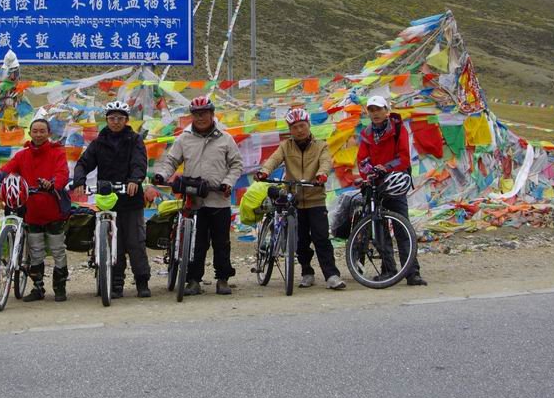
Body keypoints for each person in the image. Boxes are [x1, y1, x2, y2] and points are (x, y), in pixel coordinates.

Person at [152, 96, 244, 296]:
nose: (201, 117)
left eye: (204, 113)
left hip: (219, 199)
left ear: (212, 114)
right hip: (194, 200)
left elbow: (237, 165)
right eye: (196, 114)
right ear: (191, 116)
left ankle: (222, 279)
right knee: (196, 242)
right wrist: (162, 175)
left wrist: (228, 183)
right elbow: (171, 161)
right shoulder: (183, 138)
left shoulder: (225, 139)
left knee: (221, 242)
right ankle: (193, 280)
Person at [256, 107, 346, 290]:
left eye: (302, 125)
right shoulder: (285, 146)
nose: (299, 130)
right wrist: (264, 171)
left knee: (321, 238)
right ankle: (307, 272)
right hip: (294, 199)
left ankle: (332, 275)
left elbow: (326, 162)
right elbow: (274, 159)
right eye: (295, 127)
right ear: (290, 129)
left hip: (315, 199)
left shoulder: (321, 145)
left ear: (308, 125)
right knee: (300, 240)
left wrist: (321, 175)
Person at [0, 116, 71, 302]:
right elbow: (7, 169)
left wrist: (52, 184)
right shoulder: (22, 155)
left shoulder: (58, 153)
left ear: (49, 133)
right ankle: (38, 288)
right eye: (35, 131)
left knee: (57, 249)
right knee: (36, 250)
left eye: (42, 131)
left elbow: (63, 174)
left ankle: (60, 287)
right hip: (30, 211)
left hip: (53, 210)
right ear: (30, 133)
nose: (38, 134)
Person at [72, 101, 152, 299]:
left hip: (130, 198)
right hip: (108, 199)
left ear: (126, 120)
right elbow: (84, 162)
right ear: (106, 120)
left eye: (120, 118)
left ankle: (142, 281)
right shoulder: (99, 142)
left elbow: (139, 162)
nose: (116, 122)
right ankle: (116, 284)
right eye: (112, 118)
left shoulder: (134, 140)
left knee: (135, 242)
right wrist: (79, 180)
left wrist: (135, 180)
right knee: (112, 242)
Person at [356, 95, 426, 286]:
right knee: (379, 230)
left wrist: (384, 167)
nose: (375, 113)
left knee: (403, 228)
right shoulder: (366, 133)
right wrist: (367, 171)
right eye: (371, 110)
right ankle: (389, 270)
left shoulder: (397, 130)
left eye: (378, 109)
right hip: (374, 185)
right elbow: (362, 158)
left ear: (386, 111)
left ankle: (412, 272)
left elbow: (403, 157)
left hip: (394, 184)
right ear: (368, 113)